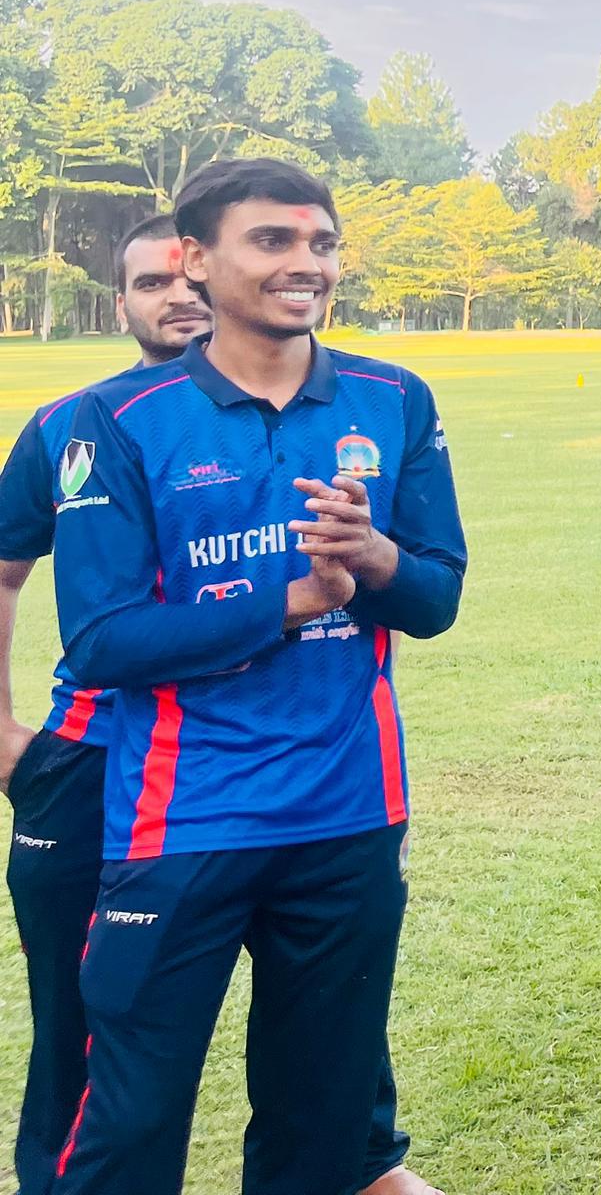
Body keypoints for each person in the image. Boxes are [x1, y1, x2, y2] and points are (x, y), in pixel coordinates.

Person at [47, 161, 466, 1195]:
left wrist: (376, 562)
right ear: (196, 258)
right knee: (130, 1126)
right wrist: (293, 601)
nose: (305, 263)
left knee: (320, 1128)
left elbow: (436, 598)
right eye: (273, 241)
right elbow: (102, 641)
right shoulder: (117, 418)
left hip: (348, 818)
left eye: (321, 243)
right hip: (181, 823)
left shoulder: (393, 399)